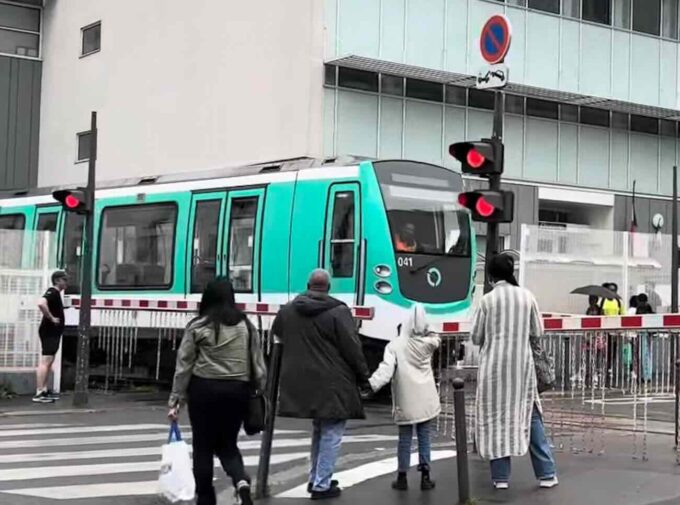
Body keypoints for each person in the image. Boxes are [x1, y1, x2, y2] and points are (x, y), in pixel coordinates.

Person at [271, 269, 369, 500]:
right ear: (328, 288)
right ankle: (321, 484)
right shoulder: (338, 311)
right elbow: (352, 348)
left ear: (307, 285)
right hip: (333, 384)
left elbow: (278, 333)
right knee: (331, 432)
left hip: (302, 381)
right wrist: (363, 377)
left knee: (319, 430)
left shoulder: (288, 310)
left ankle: (316, 478)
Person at [167, 277, 266, 505]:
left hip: (204, 390)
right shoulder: (246, 325)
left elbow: (184, 366)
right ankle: (240, 480)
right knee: (228, 444)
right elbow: (257, 364)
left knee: (203, 445)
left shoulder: (198, 326)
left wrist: (176, 400)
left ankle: (205, 498)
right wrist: (259, 389)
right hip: (237, 390)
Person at [470, 254, 558, 490]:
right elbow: (537, 331)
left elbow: (476, 336)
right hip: (522, 369)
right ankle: (546, 474)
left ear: (490, 276)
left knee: (496, 419)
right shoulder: (526, 297)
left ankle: (500, 478)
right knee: (530, 416)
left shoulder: (487, 301)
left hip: (493, 371)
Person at [367, 304, 440, 492]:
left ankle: (402, 477)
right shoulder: (429, 344)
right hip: (426, 399)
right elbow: (435, 336)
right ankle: (425, 476)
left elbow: (385, 371)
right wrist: (424, 325)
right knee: (424, 437)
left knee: (404, 439)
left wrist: (371, 385)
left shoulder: (395, 346)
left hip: (406, 399)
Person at [33, 270, 68, 404]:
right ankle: (39, 392)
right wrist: (51, 318)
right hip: (49, 331)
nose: (66, 282)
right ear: (58, 280)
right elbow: (41, 303)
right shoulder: (52, 292)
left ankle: (44, 390)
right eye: (64, 280)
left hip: (52, 332)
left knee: (49, 361)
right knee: (46, 361)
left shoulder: (56, 294)